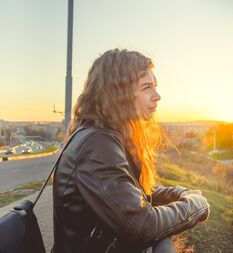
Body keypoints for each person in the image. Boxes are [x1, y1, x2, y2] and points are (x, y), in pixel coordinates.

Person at [52, 49, 210, 253]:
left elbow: (134, 193)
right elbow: (142, 225)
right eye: (147, 88)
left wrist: (180, 193)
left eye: (155, 86)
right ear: (118, 94)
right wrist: (196, 206)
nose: (157, 96)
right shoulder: (97, 144)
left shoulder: (104, 136)